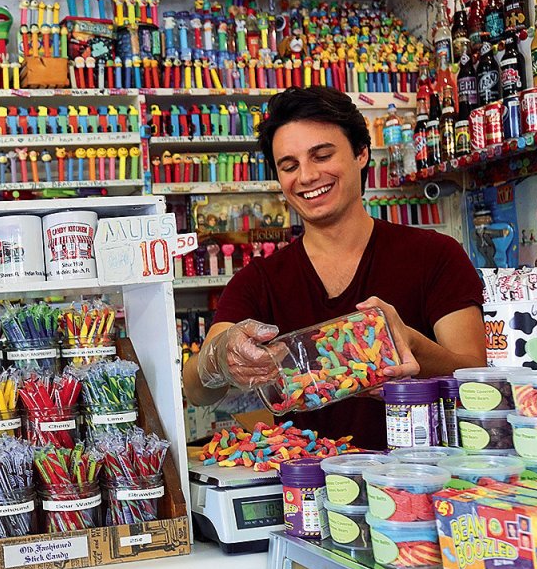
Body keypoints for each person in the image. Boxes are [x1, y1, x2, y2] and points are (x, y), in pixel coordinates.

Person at [183, 86, 487, 450]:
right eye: (289, 166)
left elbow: (477, 380)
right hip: (305, 489)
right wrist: (220, 357)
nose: (307, 176)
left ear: (361, 153)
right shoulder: (258, 281)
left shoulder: (435, 255)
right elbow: (194, 390)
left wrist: (412, 347)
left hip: (423, 481)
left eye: (322, 155)